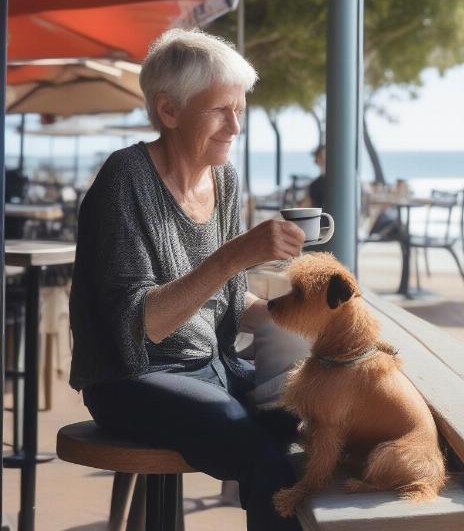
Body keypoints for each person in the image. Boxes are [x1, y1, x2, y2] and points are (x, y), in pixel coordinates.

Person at [68, 29, 307, 531]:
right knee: (265, 459)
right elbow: (141, 326)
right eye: (221, 110)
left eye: (240, 110)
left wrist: (299, 319)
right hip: (132, 377)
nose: (235, 127)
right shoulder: (125, 178)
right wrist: (233, 255)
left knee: (308, 425)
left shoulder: (224, 179)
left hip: (211, 365)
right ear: (169, 111)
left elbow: (229, 302)